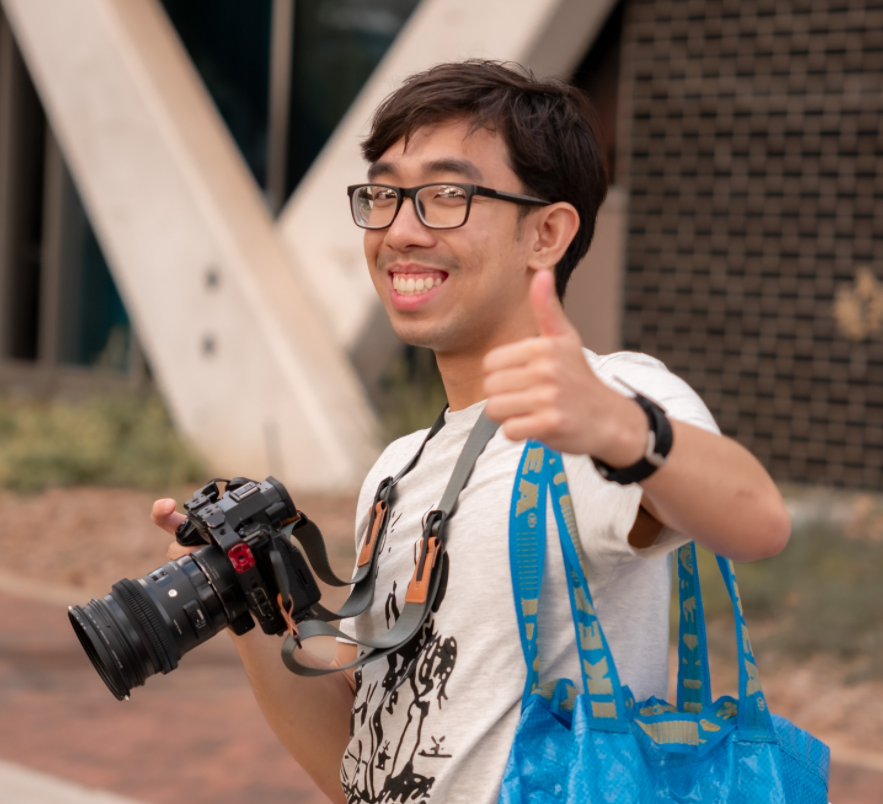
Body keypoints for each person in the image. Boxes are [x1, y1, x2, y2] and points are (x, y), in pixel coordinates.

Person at [152, 60, 790, 804]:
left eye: (446, 196)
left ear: (545, 233)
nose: (399, 231)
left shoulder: (615, 398)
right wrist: (246, 604)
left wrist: (619, 429)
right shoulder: (396, 472)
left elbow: (757, 520)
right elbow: (366, 772)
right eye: (384, 195)